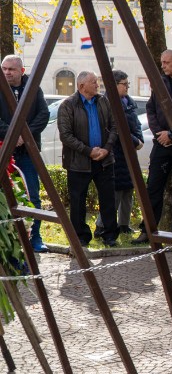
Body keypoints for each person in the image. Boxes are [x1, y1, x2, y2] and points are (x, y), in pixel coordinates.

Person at [133, 49, 172, 243]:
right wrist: (159, 132)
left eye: (166, 62)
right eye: (162, 62)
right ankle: (148, 229)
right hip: (160, 143)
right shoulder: (160, 81)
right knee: (153, 186)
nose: (163, 66)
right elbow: (151, 108)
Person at [57, 71, 119, 247]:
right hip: (78, 162)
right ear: (81, 86)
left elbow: (114, 126)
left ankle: (109, 235)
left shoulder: (103, 101)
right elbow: (66, 136)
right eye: (93, 82)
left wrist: (106, 149)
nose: (97, 85)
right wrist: (89, 151)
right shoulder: (68, 105)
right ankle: (81, 237)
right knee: (77, 201)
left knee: (108, 198)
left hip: (104, 160)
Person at [0, 55, 49, 252]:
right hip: (4, 150)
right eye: (4, 69)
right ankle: (8, 239)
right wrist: (13, 134)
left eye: (11, 69)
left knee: (32, 195)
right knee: (4, 195)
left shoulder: (33, 89)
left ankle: (34, 237)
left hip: (28, 151)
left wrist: (24, 135)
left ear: (21, 70)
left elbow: (43, 115)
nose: (7, 73)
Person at [95, 70, 144, 237]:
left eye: (127, 84)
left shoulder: (128, 102)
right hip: (114, 151)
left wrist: (139, 138)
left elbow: (135, 123)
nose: (127, 87)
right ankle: (103, 226)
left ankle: (124, 224)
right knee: (114, 192)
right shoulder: (105, 102)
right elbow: (115, 127)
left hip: (129, 152)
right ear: (113, 85)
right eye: (124, 84)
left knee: (128, 190)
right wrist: (135, 141)